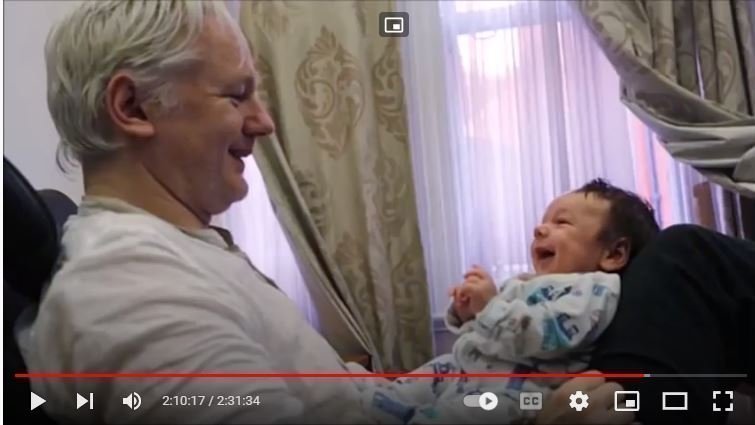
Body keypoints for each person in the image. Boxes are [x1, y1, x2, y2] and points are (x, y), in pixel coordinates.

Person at [16, 1, 633, 424]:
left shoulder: (180, 250)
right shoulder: (133, 291)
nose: (264, 122)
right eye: (237, 95)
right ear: (132, 107)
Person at [356, 180, 660, 424]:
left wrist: (490, 307)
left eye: (562, 222)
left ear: (613, 254)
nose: (539, 229)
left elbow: (549, 335)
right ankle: (372, 404)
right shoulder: (523, 283)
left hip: (519, 390)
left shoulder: (594, 290)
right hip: (469, 368)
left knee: (457, 414)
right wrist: (467, 311)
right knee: (421, 379)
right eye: (543, 222)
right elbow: (489, 327)